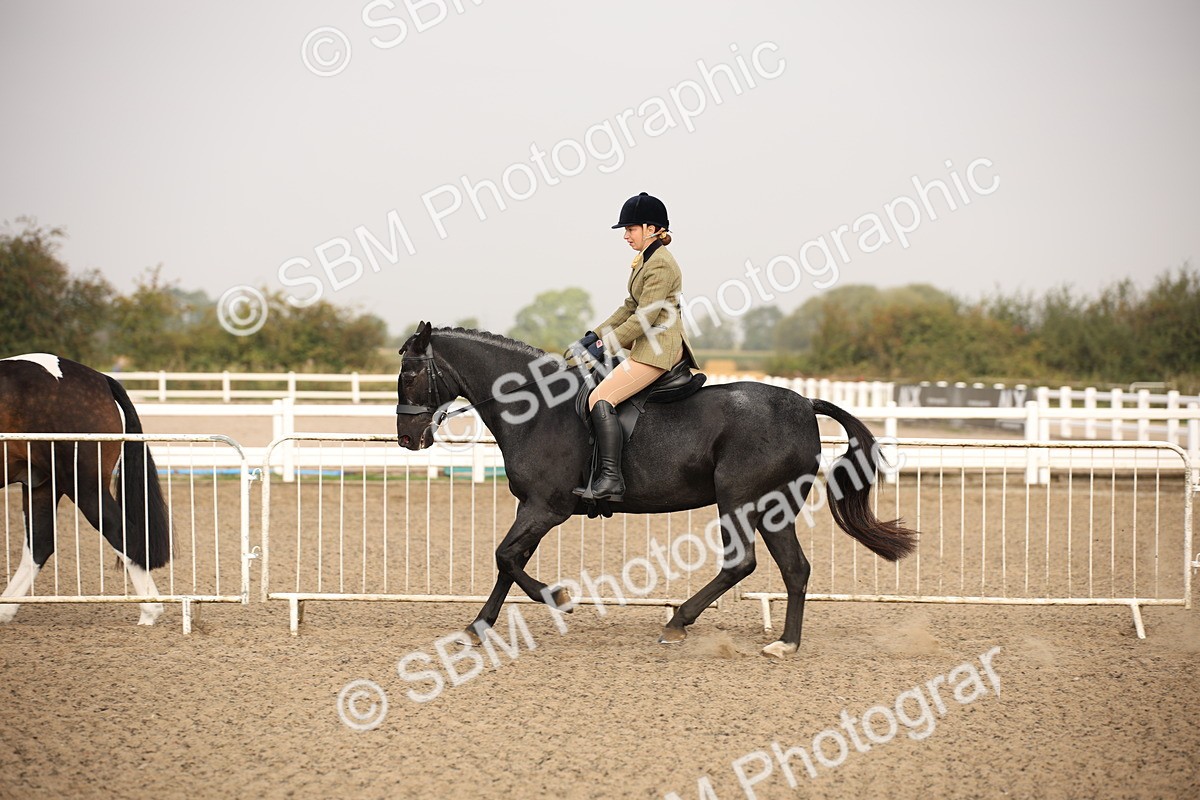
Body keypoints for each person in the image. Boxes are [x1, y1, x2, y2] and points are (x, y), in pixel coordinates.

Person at [572, 192, 699, 502]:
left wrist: (606, 344)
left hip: (658, 350)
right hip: (646, 346)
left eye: (630, 229)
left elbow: (644, 319)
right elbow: (629, 306)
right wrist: (595, 334)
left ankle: (612, 478)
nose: (626, 236)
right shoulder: (646, 259)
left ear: (651, 228)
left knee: (600, 397)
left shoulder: (661, 266)